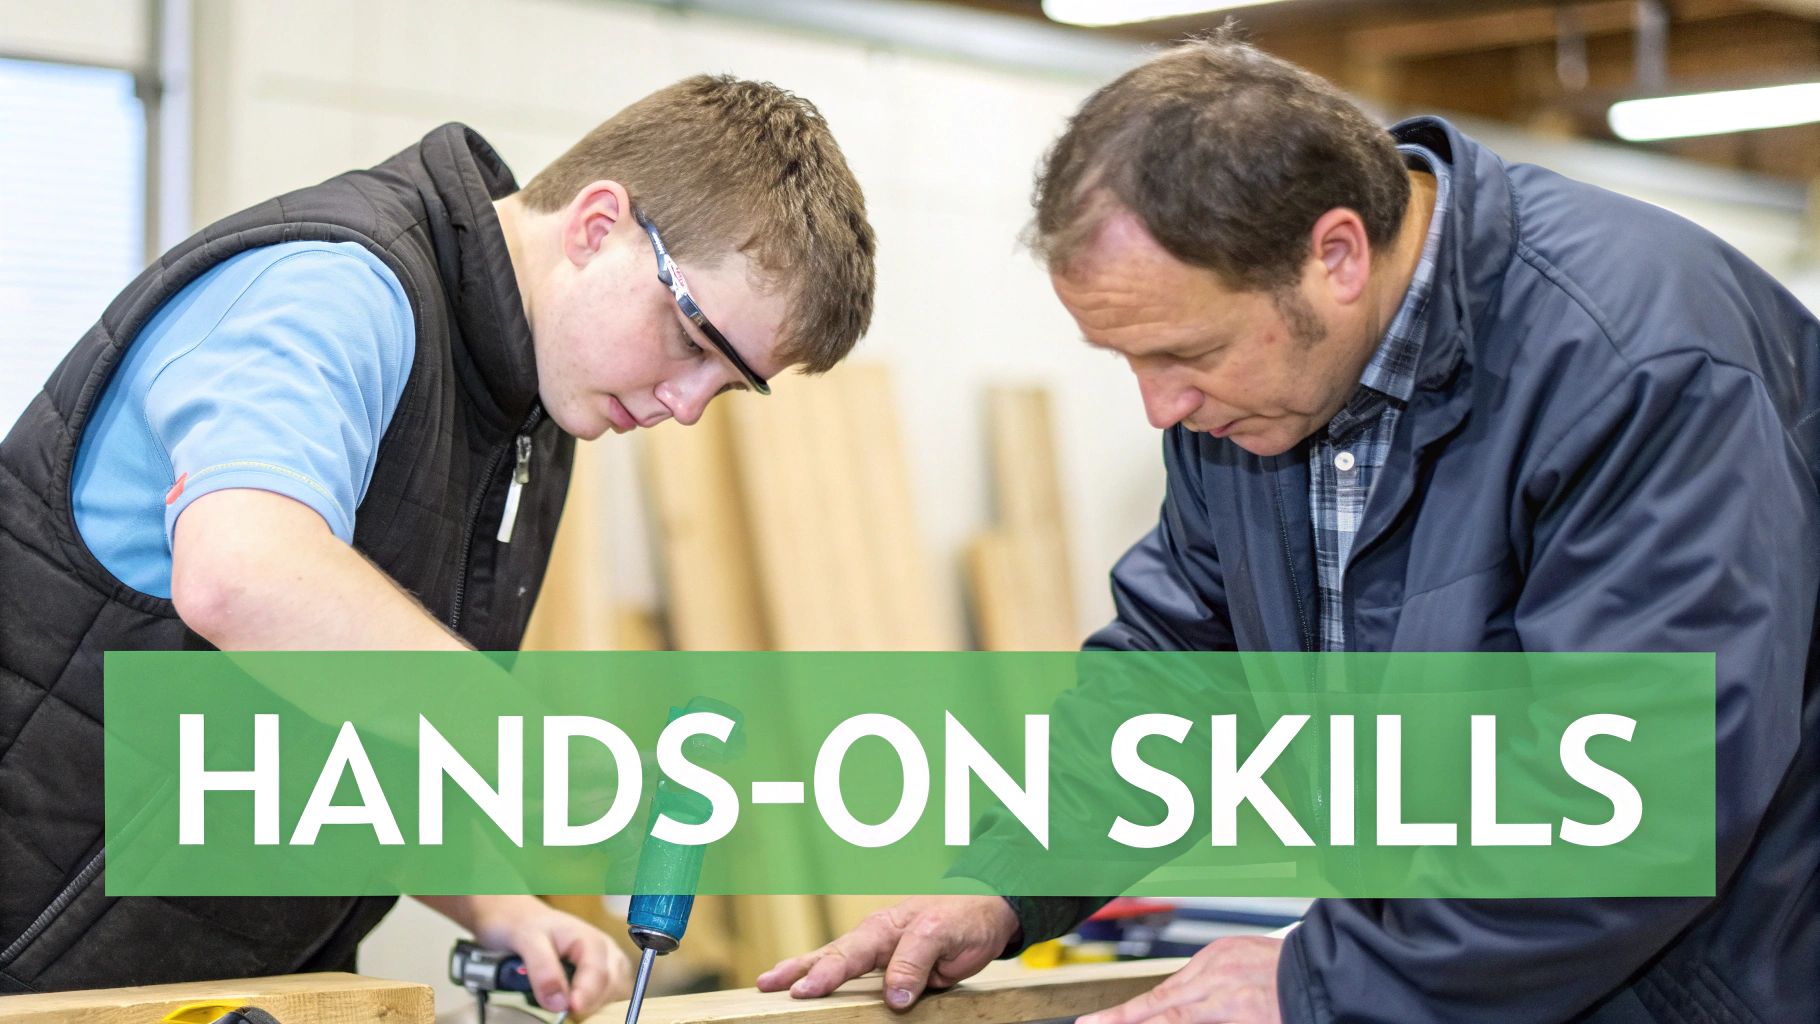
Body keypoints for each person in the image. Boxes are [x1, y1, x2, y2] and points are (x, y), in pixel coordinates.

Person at [758, 34, 1819, 1024]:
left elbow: (1635, 799)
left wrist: (1319, 979)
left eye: (1183, 352)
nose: (1157, 407)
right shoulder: (1259, 398)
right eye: (1126, 360)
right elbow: (1176, 681)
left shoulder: (1637, 364)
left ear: (1336, 256)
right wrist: (998, 884)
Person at [0, 73, 876, 1017]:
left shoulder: (529, 410)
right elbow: (243, 573)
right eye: (693, 339)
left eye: (731, 385)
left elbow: (342, 720)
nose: (690, 405)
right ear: (597, 227)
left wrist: (493, 901)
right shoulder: (336, 286)